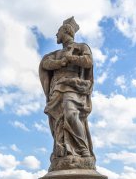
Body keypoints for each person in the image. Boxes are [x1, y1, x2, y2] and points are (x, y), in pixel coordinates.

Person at [39, 17, 95, 163]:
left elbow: (88, 62)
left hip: (72, 85)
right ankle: (63, 150)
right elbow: (45, 64)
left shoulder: (81, 47)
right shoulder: (55, 54)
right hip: (56, 89)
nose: (56, 35)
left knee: (70, 114)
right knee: (58, 120)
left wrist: (71, 58)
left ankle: (83, 150)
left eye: (58, 31)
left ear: (66, 31)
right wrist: (59, 62)